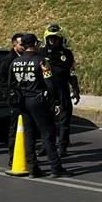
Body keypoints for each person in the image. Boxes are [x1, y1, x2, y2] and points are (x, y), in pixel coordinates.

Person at [10, 33, 71, 178]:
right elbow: (49, 84)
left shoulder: (15, 62)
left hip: (22, 101)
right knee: (47, 134)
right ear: (35, 44)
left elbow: (10, 84)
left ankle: (33, 168)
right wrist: (55, 102)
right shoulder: (42, 61)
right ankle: (56, 167)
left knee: (29, 135)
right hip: (38, 101)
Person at [39, 23, 80, 157]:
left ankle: (62, 147)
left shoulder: (67, 54)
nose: (53, 41)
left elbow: (72, 73)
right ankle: (46, 146)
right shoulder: (41, 53)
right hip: (46, 91)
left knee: (64, 121)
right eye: (51, 38)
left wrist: (75, 89)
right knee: (46, 120)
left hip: (62, 90)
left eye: (56, 38)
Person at [0, 32, 25, 167]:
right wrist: (9, 94)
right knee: (15, 129)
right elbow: (0, 79)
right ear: (15, 45)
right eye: (21, 44)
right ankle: (13, 156)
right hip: (16, 100)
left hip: (27, 98)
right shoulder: (8, 60)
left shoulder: (26, 58)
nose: (24, 46)